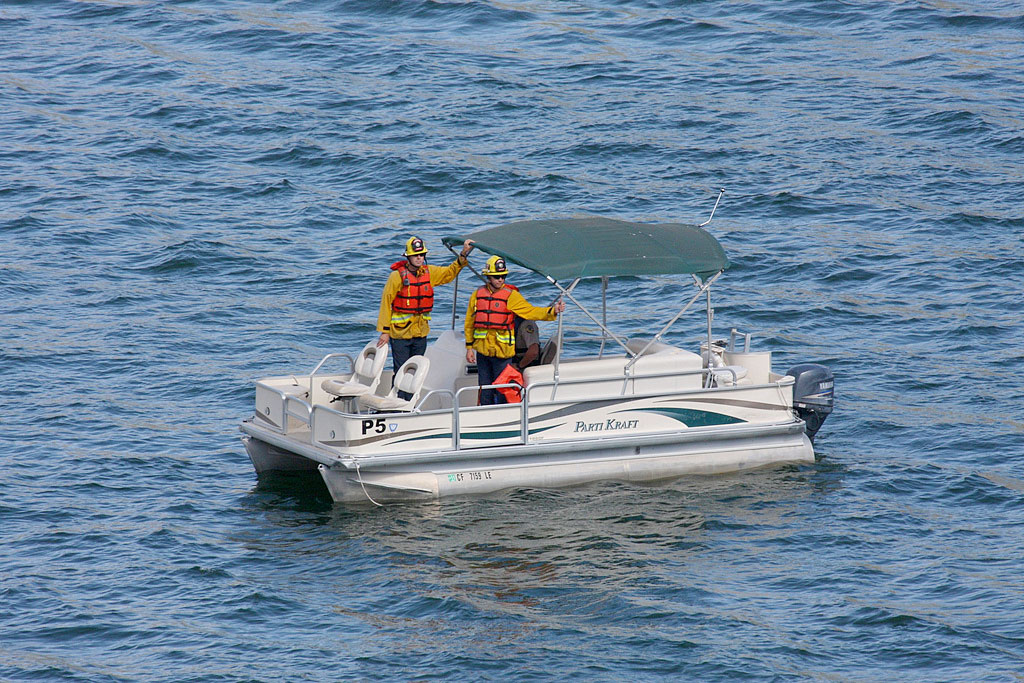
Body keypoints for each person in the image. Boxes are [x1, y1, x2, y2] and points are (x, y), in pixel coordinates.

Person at [378, 236, 474, 399]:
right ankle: (397, 404)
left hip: (420, 334)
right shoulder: (396, 277)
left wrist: (463, 255)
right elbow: (386, 303)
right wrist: (384, 331)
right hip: (400, 335)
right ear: (408, 257)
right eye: (416, 255)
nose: (419, 258)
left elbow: (449, 273)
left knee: (415, 371)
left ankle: (410, 404)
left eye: (422, 255)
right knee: (401, 371)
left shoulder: (429, 273)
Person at [465, 255, 565, 405]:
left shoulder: (511, 296)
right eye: (497, 276)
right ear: (489, 277)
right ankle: (486, 418)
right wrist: (469, 348)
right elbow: (469, 322)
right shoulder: (477, 295)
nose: (500, 279)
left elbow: (530, 311)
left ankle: (505, 418)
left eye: (503, 276)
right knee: (485, 390)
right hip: (483, 354)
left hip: (502, 354)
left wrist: (552, 311)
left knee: (503, 389)